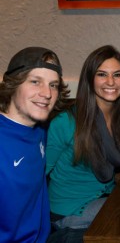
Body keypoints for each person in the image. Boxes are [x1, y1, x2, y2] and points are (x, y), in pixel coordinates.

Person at [46, 45, 120, 240]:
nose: (110, 82)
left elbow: (110, 148)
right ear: (90, 79)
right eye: (101, 74)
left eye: (117, 75)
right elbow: (38, 173)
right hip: (69, 212)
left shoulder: (118, 118)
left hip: (102, 200)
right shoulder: (65, 122)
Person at [0, 47, 69, 242]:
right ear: (12, 85)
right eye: (35, 82)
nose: (47, 93)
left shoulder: (40, 130)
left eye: (53, 85)